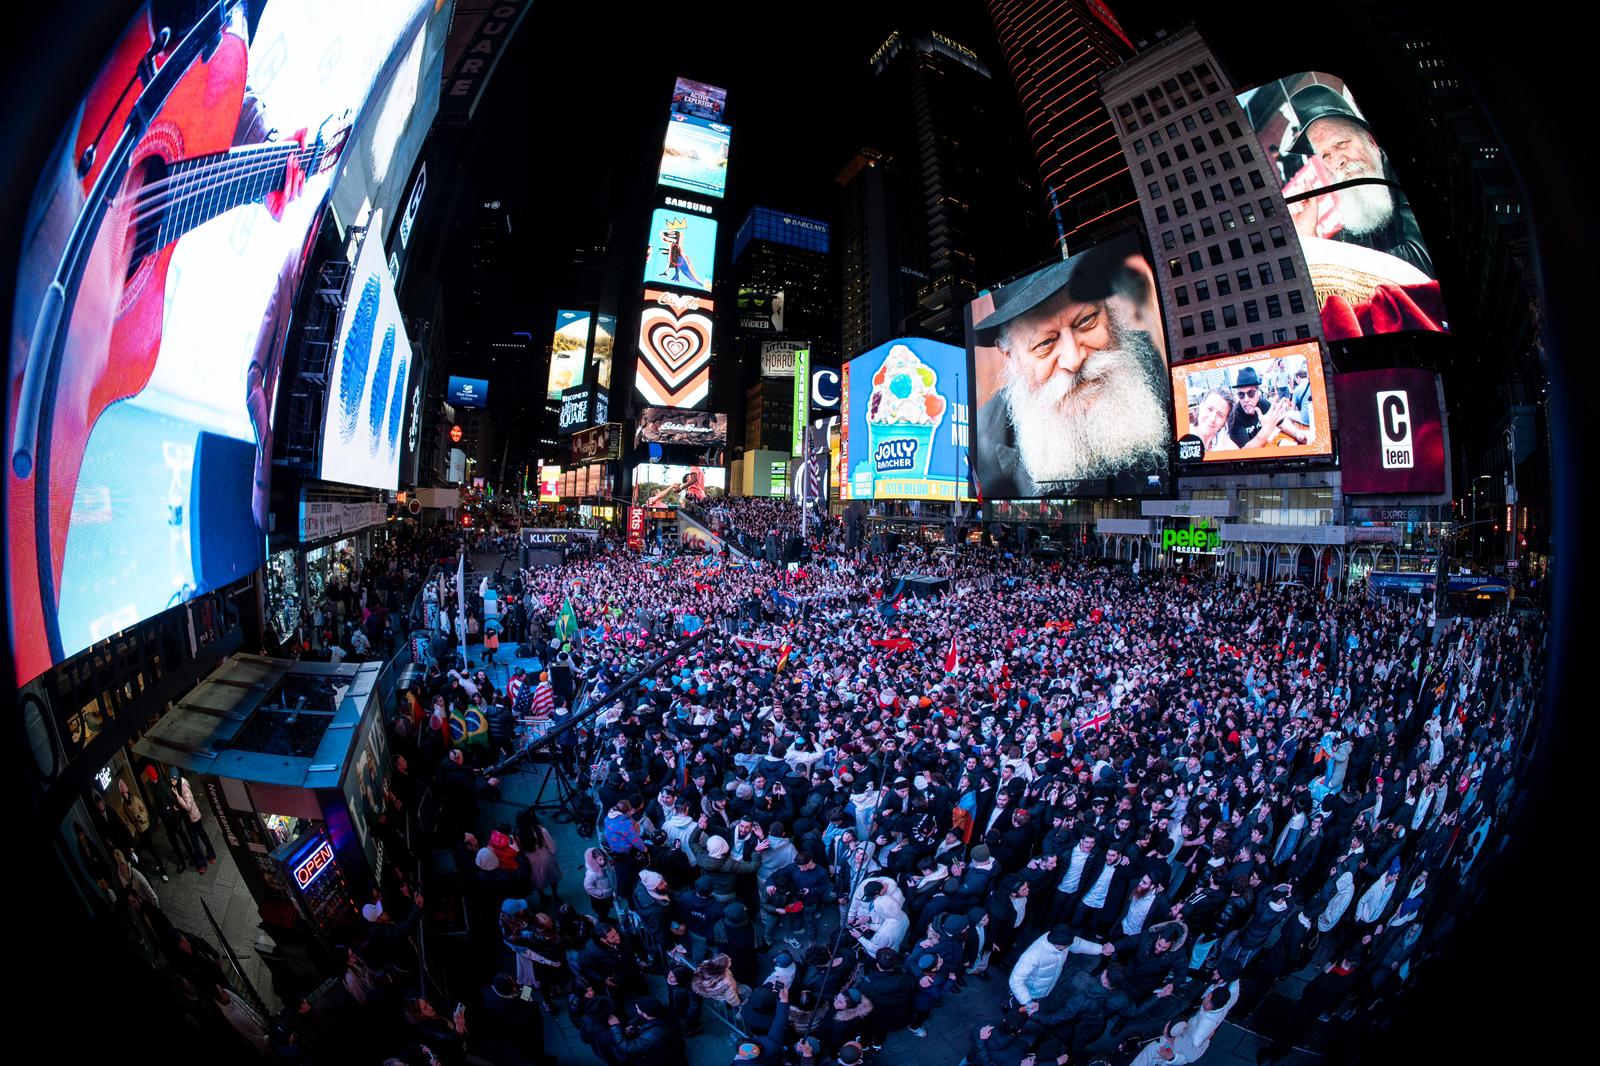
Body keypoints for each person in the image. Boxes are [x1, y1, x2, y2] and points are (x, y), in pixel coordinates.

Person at [971, 241, 1169, 495]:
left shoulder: (1150, 363)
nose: (1074, 359)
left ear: (1109, 314)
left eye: (1086, 321)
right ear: (1009, 355)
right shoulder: (987, 435)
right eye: (1045, 343)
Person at [1282, 83, 1434, 278]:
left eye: (1341, 144)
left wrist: (1339, 268)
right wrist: (1309, 237)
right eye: (1326, 155)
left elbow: (1421, 261)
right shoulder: (1354, 208)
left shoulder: (1408, 169)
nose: (1338, 161)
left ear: (1370, 140)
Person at [1227, 366, 1305, 449]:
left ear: (1258, 393)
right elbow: (1246, 452)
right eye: (1241, 395)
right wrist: (1266, 429)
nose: (1246, 399)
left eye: (1251, 393)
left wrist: (1297, 434)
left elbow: (1281, 422)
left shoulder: (1263, 404)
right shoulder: (1234, 418)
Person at [169, 768, 217, 873]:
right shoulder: (175, 785)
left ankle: (210, 856)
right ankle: (202, 862)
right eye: (170, 780)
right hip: (187, 818)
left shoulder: (184, 787)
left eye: (173, 780)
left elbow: (188, 807)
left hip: (194, 817)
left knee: (200, 836)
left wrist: (178, 797)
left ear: (177, 777)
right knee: (195, 841)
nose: (172, 782)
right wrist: (177, 806)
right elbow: (182, 804)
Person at [1190, 387, 1238, 456]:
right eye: (1209, 409)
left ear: (1225, 422)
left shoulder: (1221, 437)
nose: (1212, 419)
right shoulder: (1184, 435)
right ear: (1201, 405)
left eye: (1220, 415)